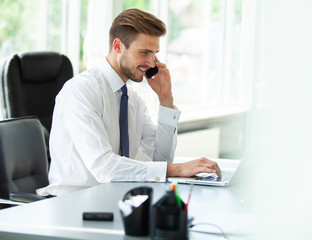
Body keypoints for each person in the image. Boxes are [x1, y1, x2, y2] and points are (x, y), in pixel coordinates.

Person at [37, 8, 221, 196]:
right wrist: (177, 169)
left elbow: (162, 158)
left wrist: (166, 99)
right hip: (72, 204)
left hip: (114, 198)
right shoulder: (81, 91)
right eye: (144, 53)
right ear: (118, 46)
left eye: (154, 54)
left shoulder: (133, 99)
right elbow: (104, 167)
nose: (151, 63)